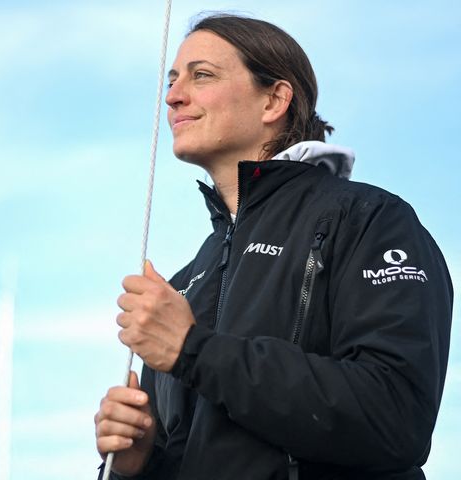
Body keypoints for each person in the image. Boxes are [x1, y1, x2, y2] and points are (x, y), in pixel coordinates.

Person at [94, 13, 453, 480]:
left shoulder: (368, 219)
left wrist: (194, 350)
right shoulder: (183, 284)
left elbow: (395, 417)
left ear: (274, 100)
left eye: (201, 75)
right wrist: (139, 464)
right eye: (173, 79)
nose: (173, 95)